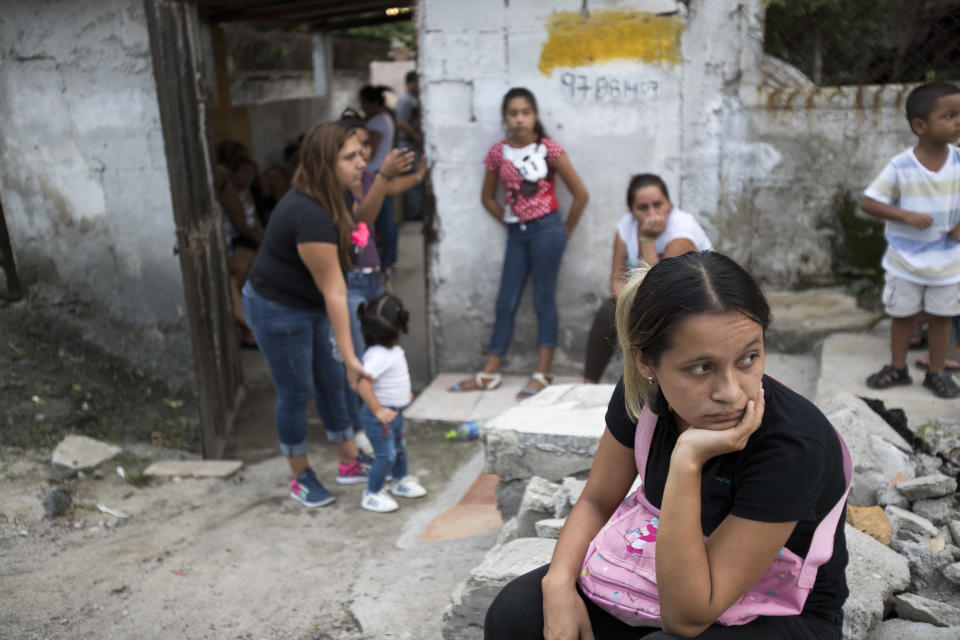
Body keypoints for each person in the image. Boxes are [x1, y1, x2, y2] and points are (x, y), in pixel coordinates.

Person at [485, 252, 849, 640]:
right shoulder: (642, 396)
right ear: (647, 364)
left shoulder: (791, 444)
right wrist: (557, 583)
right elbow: (597, 500)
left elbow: (688, 618)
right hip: (668, 578)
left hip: (776, 615)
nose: (730, 392)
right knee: (516, 613)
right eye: (700, 368)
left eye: (748, 358)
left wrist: (687, 459)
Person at [241, 121, 373, 508]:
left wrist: (344, 362)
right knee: (296, 391)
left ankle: (348, 461)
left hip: (309, 303)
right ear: (323, 163)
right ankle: (300, 475)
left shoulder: (338, 194)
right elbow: (335, 289)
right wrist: (351, 357)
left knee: (331, 382)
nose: (361, 162)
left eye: (361, 153)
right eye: (349, 157)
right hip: (277, 309)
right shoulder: (310, 213)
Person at [450, 87, 589, 399]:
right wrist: (510, 220)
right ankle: (490, 373)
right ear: (504, 118)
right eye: (513, 113)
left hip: (548, 232)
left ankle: (543, 373)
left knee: (543, 301)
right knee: (505, 301)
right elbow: (487, 197)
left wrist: (563, 231)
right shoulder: (498, 153)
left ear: (535, 115)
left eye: (526, 112)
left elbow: (581, 195)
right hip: (518, 234)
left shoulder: (549, 149)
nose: (520, 119)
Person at [861, 81, 960, 398]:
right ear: (920, 125)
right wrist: (905, 216)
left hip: (948, 262)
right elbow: (869, 202)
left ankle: (937, 371)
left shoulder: (958, 161)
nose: (958, 122)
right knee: (902, 316)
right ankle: (898, 367)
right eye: (950, 115)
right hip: (906, 260)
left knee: (943, 318)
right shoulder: (901, 166)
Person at [583, 174, 713, 383]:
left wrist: (647, 239)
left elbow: (659, 286)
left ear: (669, 204)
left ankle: (656, 384)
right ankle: (588, 384)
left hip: (689, 301)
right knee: (610, 310)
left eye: (658, 204)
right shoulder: (626, 226)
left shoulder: (682, 230)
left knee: (655, 322)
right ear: (632, 211)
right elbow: (617, 277)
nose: (652, 213)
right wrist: (626, 305)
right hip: (648, 298)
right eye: (642, 208)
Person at [354, 293, 427, 513]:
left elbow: (392, 379)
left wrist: (404, 395)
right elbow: (362, 384)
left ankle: (400, 480)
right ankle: (372, 493)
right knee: (386, 456)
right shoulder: (378, 355)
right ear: (400, 327)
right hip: (380, 418)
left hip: (393, 413)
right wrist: (377, 409)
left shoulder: (390, 351)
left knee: (399, 449)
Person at [220, 156, 264, 348]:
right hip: (237, 243)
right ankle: (249, 329)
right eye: (244, 173)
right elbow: (241, 225)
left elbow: (254, 221)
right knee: (238, 276)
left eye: (251, 173)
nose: (248, 177)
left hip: (244, 241)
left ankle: (251, 327)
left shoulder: (246, 191)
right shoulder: (229, 193)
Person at [359, 85, 400, 273]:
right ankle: (389, 261)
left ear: (372, 103)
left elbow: (371, 151)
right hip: (380, 171)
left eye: (364, 103)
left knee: (382, 220)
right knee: (386, 219)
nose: (362, 107)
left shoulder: (376, 122)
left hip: (375, 173)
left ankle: (386, 263)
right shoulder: (384, 118)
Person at [395, 70, 423, 221]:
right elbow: (401, 122)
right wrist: (415, 135)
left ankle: (416, 209)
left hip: (412, 143)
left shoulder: (412, 98)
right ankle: (413, 211)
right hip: (407, 143)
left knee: (415, 176)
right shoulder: (405, 100)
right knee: (412, 177)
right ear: (411, 83)